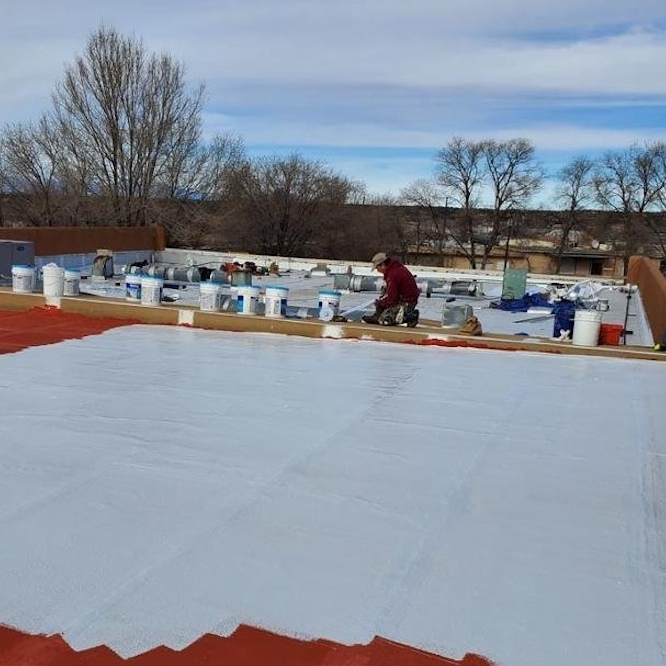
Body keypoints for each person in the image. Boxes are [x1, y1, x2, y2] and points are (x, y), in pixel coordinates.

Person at [362, 252, 420, 327]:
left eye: (377, 268)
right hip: (406, 298)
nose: (377, 270)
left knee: (387, 320)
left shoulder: (393, 274)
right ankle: (380, 315)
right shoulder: (395, 269)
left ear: (382, 265)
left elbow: (392, 297)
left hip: (407, 301)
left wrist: (380, 303)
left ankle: (410, 315)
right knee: (384, 295)